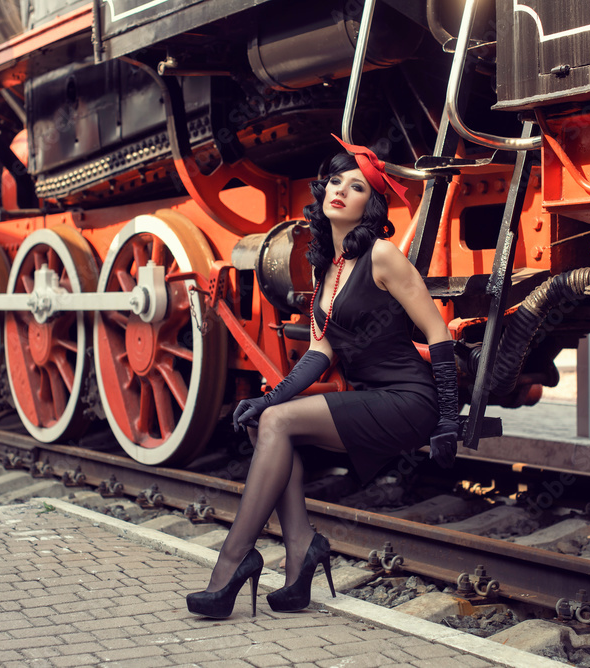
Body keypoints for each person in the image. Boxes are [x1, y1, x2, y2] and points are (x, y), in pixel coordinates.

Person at [185, 135, 461, 619]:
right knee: (263, 421)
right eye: (334, 181)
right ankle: (299, 554)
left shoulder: (383, 256)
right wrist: (269, 399)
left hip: (410, 399)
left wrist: (448, 418)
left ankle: (234, 559)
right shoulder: (327, 269)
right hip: (373, 397)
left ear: (370, 205)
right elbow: (319, 353)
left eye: (355, 187)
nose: (340, 191)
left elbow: (437, 329)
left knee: (276, 425)